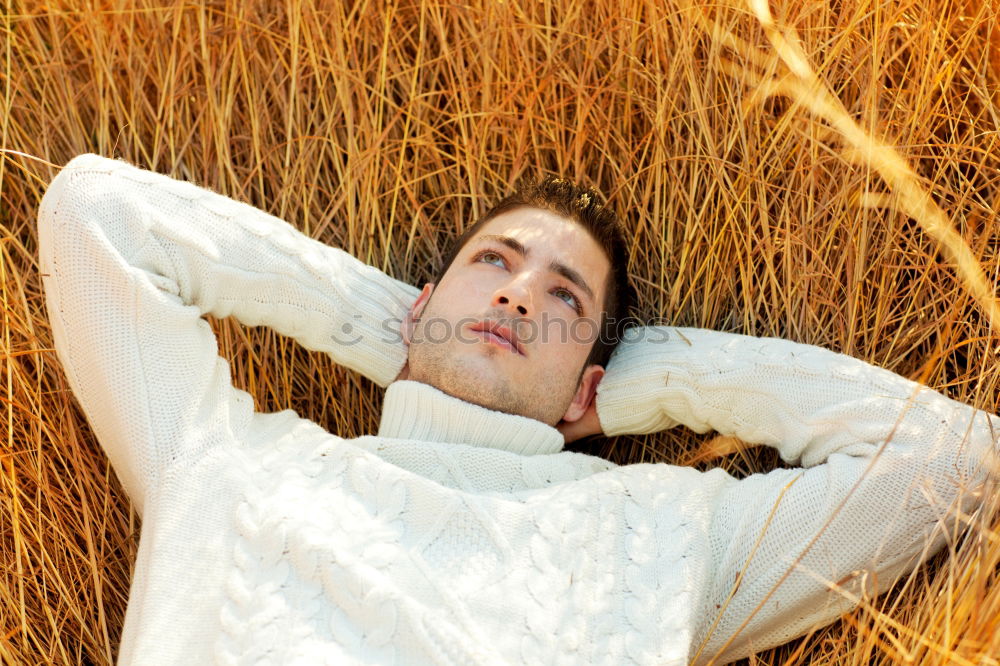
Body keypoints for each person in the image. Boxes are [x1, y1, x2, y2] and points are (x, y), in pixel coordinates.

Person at [38, 153, 998, 665]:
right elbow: (95, 217)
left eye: (566, 299)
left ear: (590, 387)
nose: (519, 295)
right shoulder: (224, 461)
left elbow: (952, 460)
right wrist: (402, 334)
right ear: (420, 298)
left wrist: (652, 384)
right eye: (492, 262)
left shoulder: (656, 539)